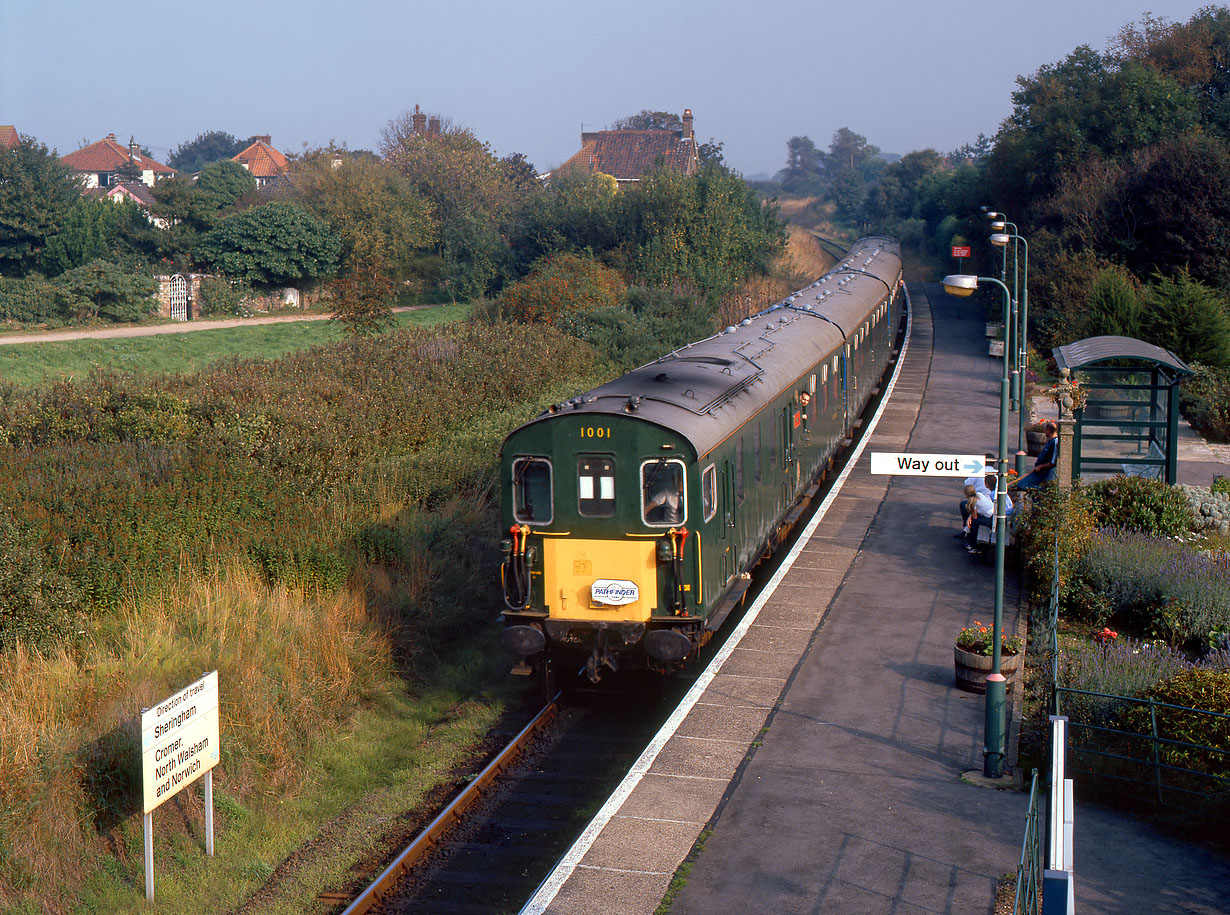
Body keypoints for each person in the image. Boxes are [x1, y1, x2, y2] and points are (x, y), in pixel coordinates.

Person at [1010, 422, 1059, 491]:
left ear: (1048, 430)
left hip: (1045, 472)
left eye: (1045, 430)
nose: (1044, 432)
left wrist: (1041, 466)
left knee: (1024, 485)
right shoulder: (1050, 441)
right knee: (1021, 484)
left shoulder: (1054, 442)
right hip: (1039, 471)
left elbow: (1053, 462)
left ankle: (1040, 493)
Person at [962, 484, 994, 554]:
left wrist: (969, 519)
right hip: (993, 515)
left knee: (974, 523)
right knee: (975, 521)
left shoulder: (973, 502)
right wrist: (970, 517)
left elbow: (975, 516)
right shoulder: (979, 495)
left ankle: (974, 546)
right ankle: (972, 543)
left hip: (992, 520)